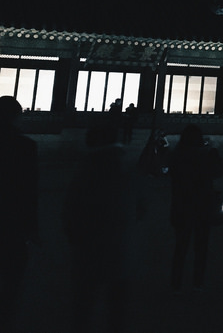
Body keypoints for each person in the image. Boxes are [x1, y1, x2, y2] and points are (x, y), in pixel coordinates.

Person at [63, 124, 146, 333]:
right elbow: (140, 208)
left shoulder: (84, 170)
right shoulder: (126, 169)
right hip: (119, 248)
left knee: (83, 306)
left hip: (86, 248)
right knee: (117, 308)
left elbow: (70, 212)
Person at [168, 124, 223, 292]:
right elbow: (219, 171)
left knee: (180, 247)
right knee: (201, 248)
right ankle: (197, 283)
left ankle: (175, 283)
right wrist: (214, 151)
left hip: (181, 206)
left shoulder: (177, 155)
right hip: (202, 207)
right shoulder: (204, 156)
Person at [0, 96, 38, 332]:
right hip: (11, 221)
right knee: (11, 276)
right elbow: (29, 191)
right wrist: (32, 228)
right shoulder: (25, 146)